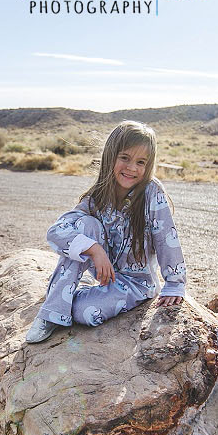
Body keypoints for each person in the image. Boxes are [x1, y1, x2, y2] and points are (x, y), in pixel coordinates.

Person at [25, 120, 186, 344]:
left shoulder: (152, 193)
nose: (132, 168)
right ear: (110, 156)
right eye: (125, 158)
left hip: (136, 284)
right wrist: (95, 249)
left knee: (85, 313)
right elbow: (56, 231)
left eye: (141, 162)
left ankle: (63, 298)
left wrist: (174, 283)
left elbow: (166, 238)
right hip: (105, 276)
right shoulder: (98, 196)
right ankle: (51, 313)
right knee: (85, 226)